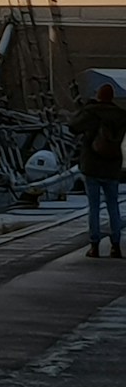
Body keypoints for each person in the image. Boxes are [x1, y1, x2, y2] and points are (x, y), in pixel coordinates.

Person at [70, 82, 126, 257]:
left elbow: (73, 126)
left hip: (92, 165)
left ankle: (94, 245)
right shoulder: (121, 115)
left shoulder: (91, 112)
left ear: (99, 95)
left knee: (93, 207)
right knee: (113, 205)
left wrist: (86, 107)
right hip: (112, 166)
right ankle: (116, 245)